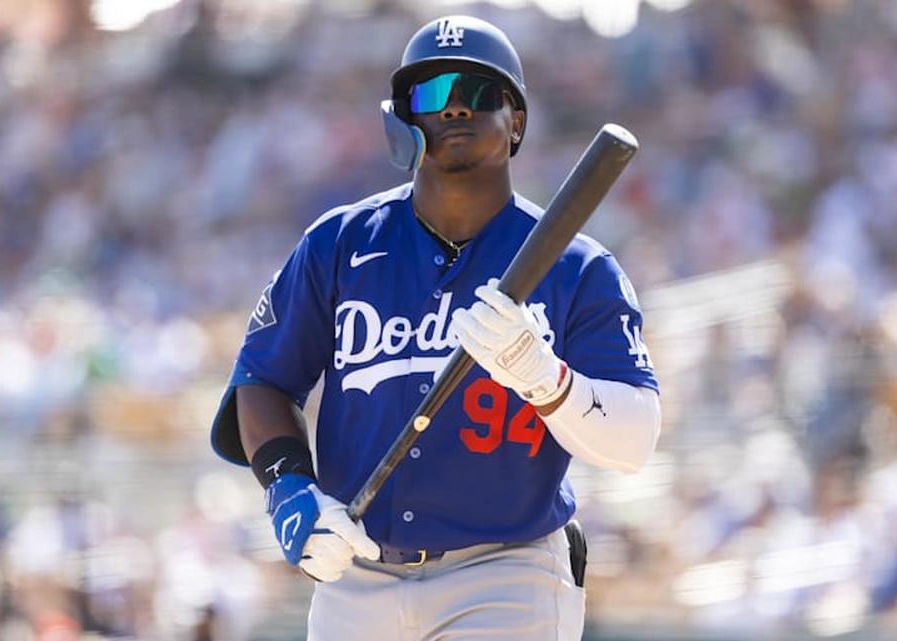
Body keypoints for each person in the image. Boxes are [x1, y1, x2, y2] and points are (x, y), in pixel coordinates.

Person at [210, 15, 662, 640]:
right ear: (401, 120)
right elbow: (261, 382)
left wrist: (546, 378)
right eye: (430, 94)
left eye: (478, 93)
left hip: (507, 571)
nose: (453, 108)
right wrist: (290, 491)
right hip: (358, 573)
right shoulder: (337, 244)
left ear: (518, 122)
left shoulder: (577, 266)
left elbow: (635, 440)